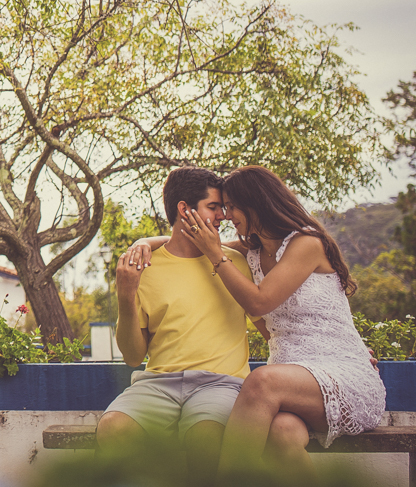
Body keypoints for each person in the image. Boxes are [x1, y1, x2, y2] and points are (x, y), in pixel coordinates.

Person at [172, 165, 385, 476]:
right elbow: (188, 244)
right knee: (282, 436)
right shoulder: (253, 250)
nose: (228, 215)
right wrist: (141, 244)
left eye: (231, 206)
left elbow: (260, 301)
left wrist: (216, 256)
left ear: (256, 203)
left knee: (261, 381)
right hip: (293, 382)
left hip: (341, 374)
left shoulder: (307, 244)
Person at [97, 166, 263, 480]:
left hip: (221, 384)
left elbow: (276, 326)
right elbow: (134, 356)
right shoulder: (144, 268)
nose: (222, 216)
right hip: (158, 385)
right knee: (112, 428)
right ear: (184, 210)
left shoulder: (235, 263)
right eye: (213, 208)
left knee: (206, 439)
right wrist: (126, 295)